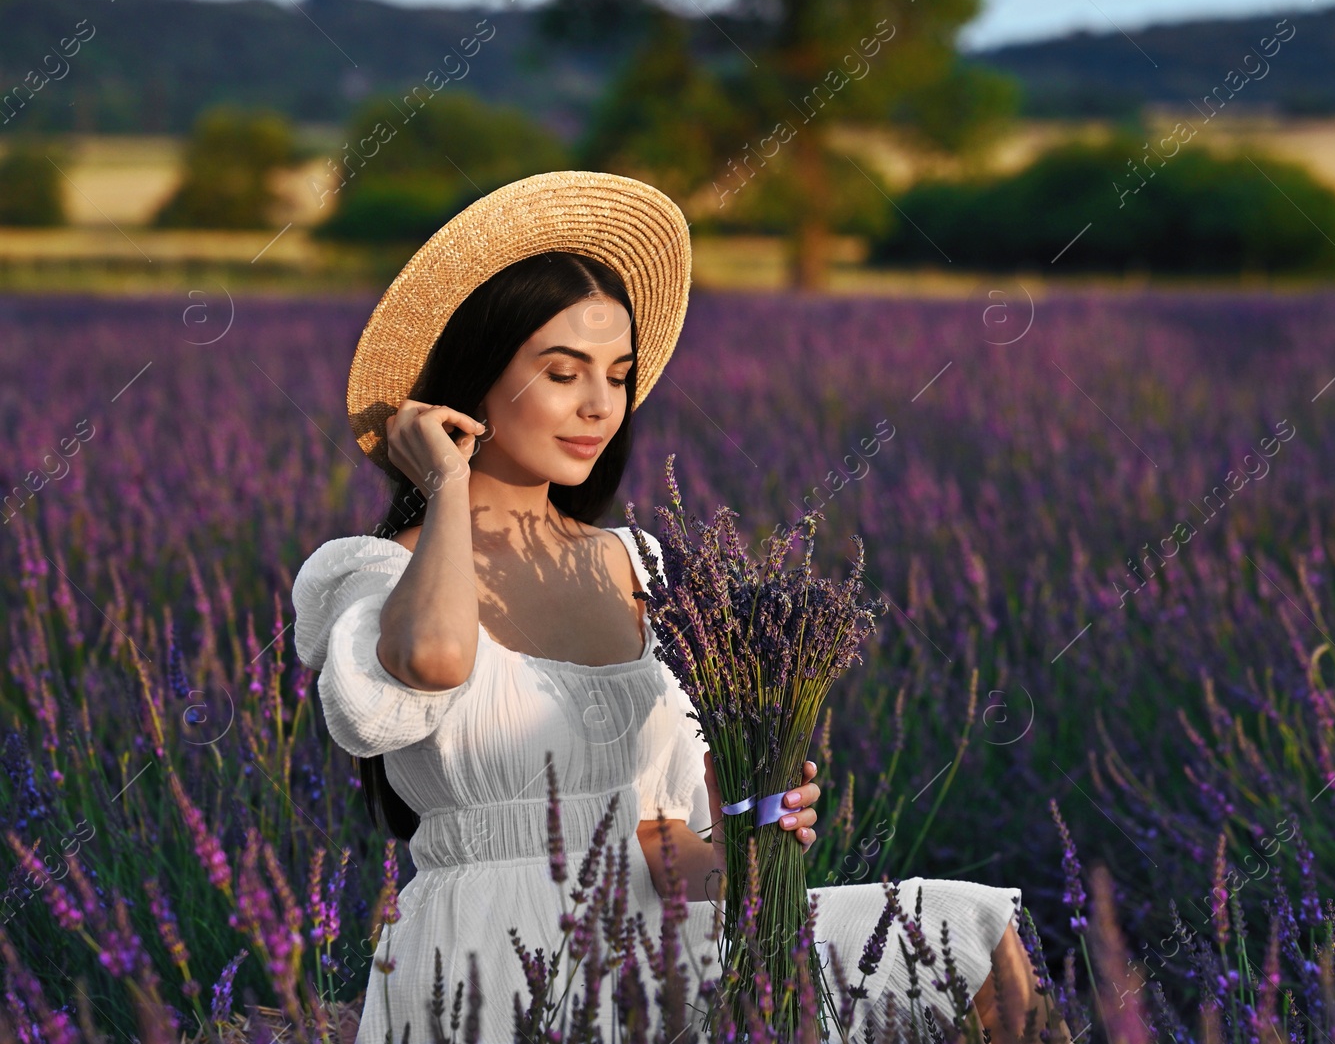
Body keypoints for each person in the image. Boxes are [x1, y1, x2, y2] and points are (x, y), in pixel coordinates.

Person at [291, 171, 1061, 1043]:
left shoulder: (643, 563)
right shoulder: (371, 572)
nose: (599, 405)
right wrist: (447, 484)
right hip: (490, 959)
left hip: (660, 939)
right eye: (561, 371)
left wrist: (749, 838)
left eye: (616, 376)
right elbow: (428, 664)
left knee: (968, 928)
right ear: (472, 382)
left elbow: (671, 846)